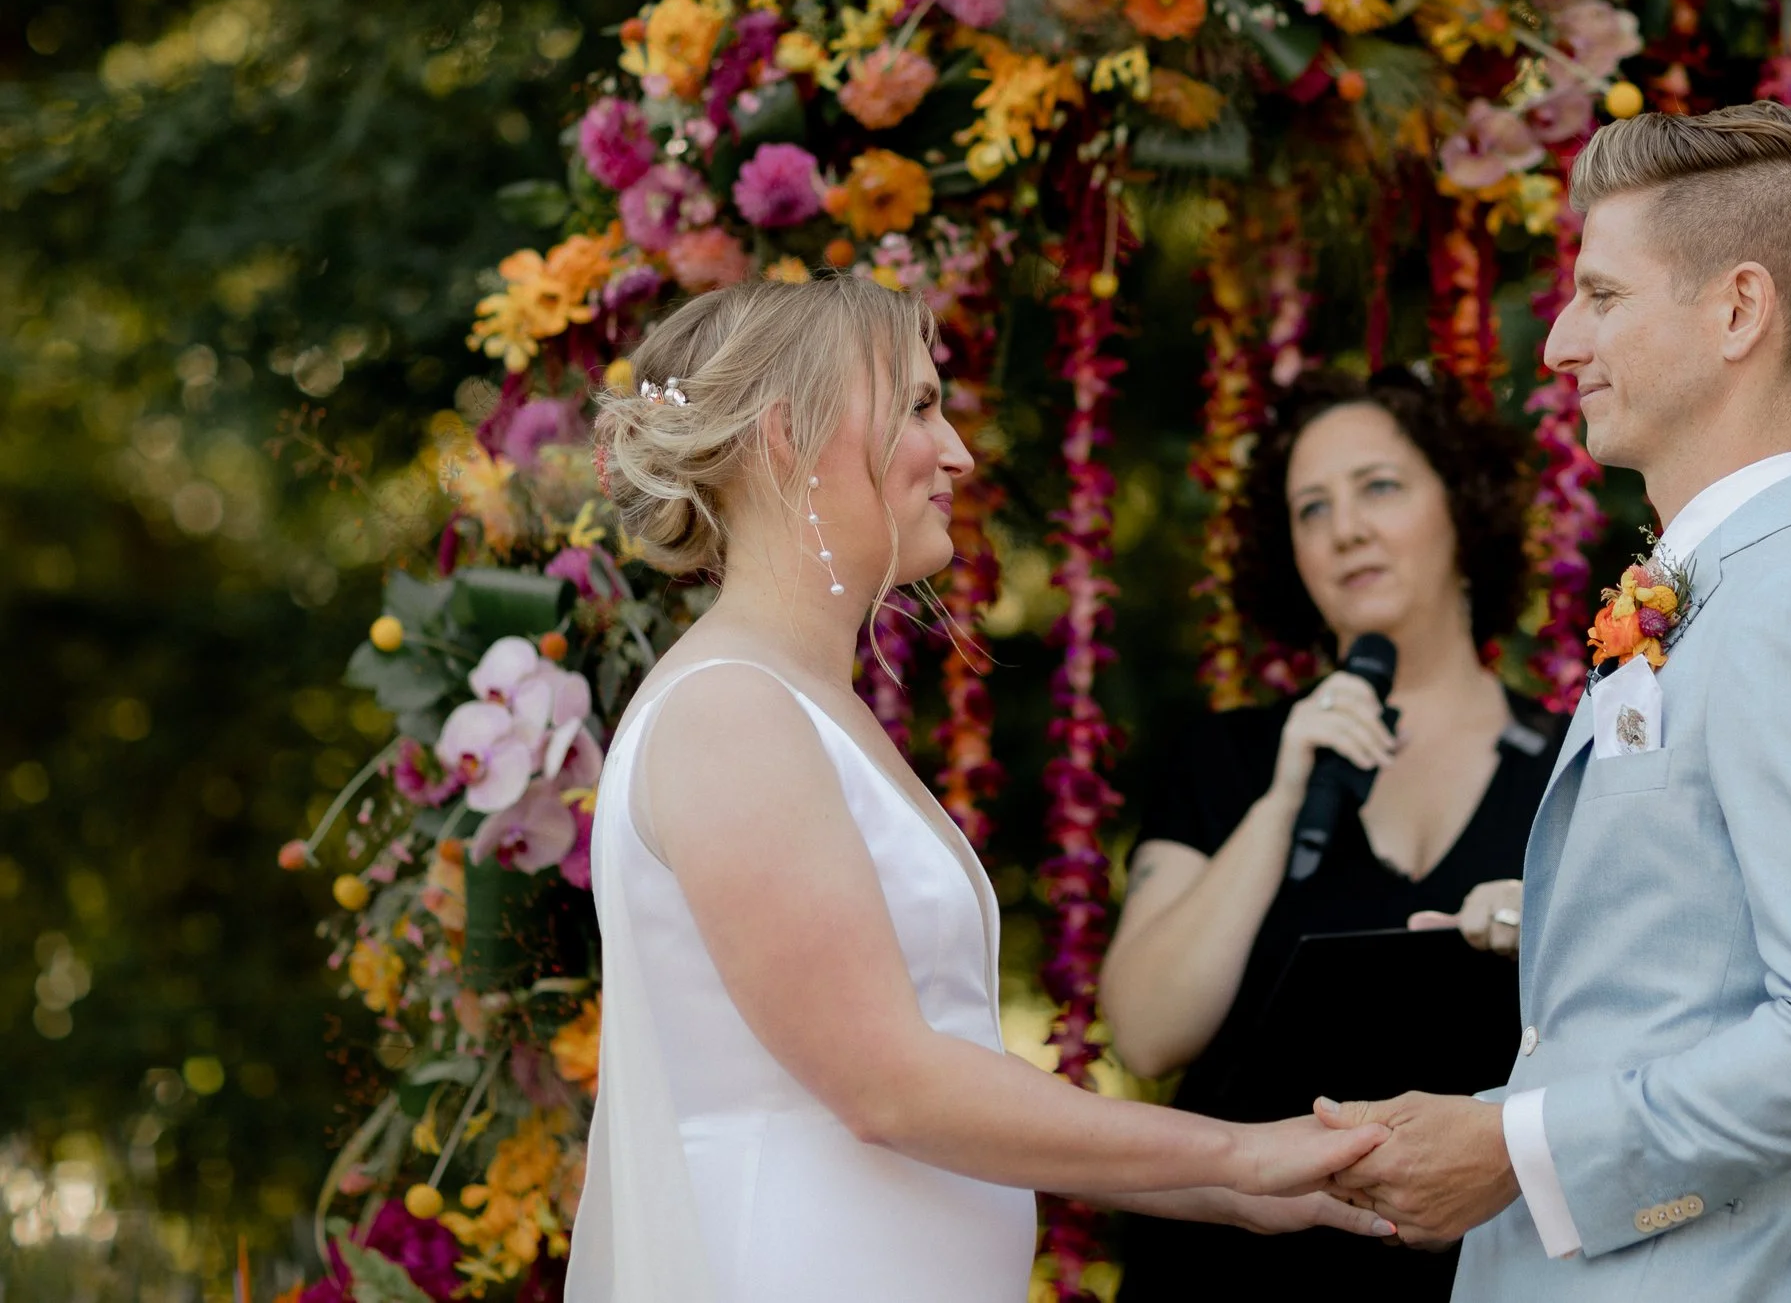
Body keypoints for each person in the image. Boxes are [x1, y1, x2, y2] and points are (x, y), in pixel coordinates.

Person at [567, 275, 1393, 1303]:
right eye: (918, 406)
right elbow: (888, 1083)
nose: (956, 450)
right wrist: (1236, 1153)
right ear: (786, 435)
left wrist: (1220, 1192)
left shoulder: (805, 703)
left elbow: (938, 1072)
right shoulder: (731, 709)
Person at [1316, 102, 1791, 1303]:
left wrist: (1518, 1148)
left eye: (1602, 296)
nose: (1560, 342)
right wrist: (1550, 914)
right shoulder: (1716, 587)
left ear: (1738, 309)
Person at [1103, 366, 1566, 1303]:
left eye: (1380, 488)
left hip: (1483, 1274)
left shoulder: (1574, 766)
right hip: (1231, 1271)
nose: (1345, 526)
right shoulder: (1229, 760)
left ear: (1462, 512)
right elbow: (1147, 1034)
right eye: (1310, 509)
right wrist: (1282, 801)